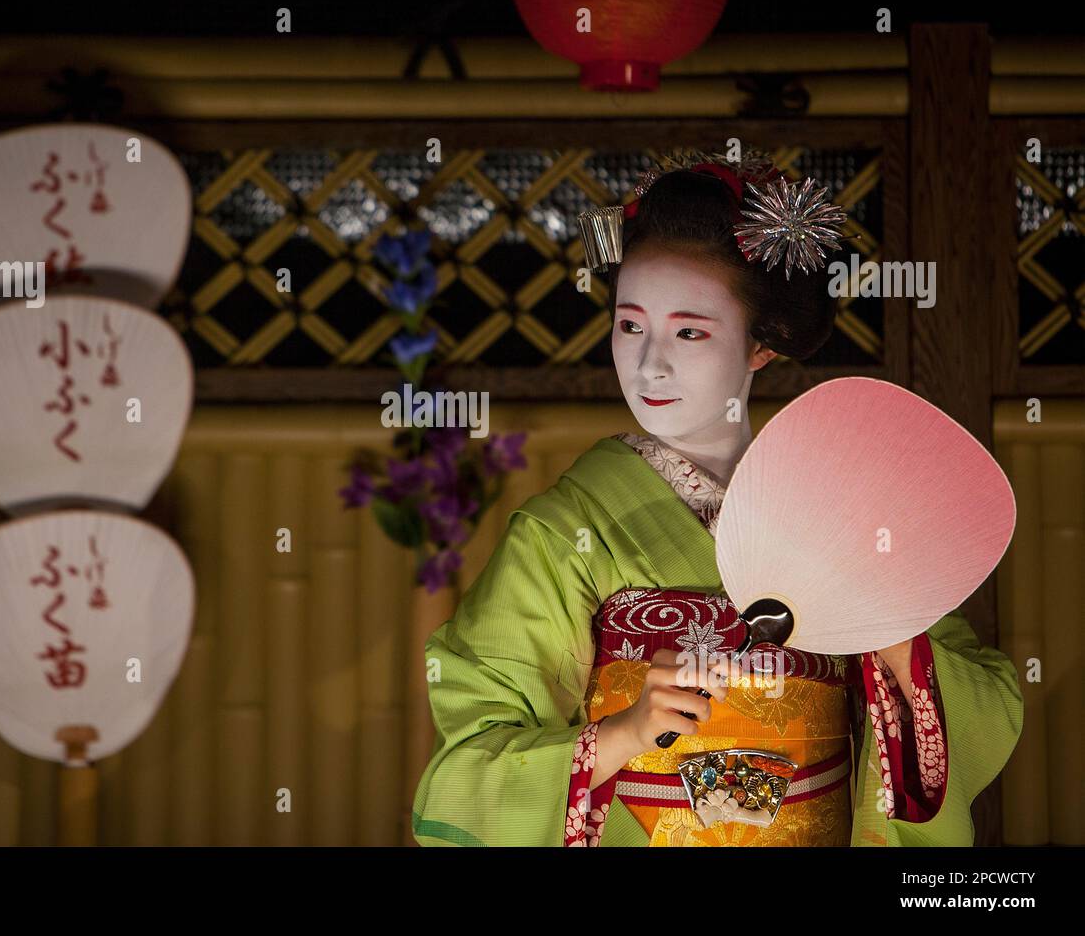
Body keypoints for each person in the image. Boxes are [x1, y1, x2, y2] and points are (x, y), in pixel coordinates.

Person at [409, 154, 1023, 846]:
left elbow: (987, 705)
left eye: (690, 331)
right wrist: (626, 731)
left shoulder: (844, 509)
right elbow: (473, 764)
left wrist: (892, 643)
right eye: (630, 325)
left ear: (761, 344)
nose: (650, 364)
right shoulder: (565, 530)